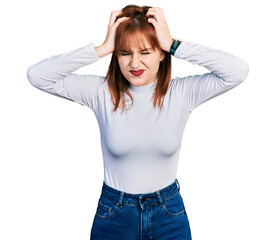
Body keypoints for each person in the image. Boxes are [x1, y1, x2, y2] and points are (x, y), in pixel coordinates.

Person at [27, 4, 249, 240]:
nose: (134, 63)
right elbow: (38, 76)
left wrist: (174, 44)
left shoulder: (182, 93)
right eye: (125, 53)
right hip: (114, 216)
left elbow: (237, 71)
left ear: (161, 53)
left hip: (169, 216)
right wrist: (102, 48)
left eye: (145, 52)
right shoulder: (101, 92)